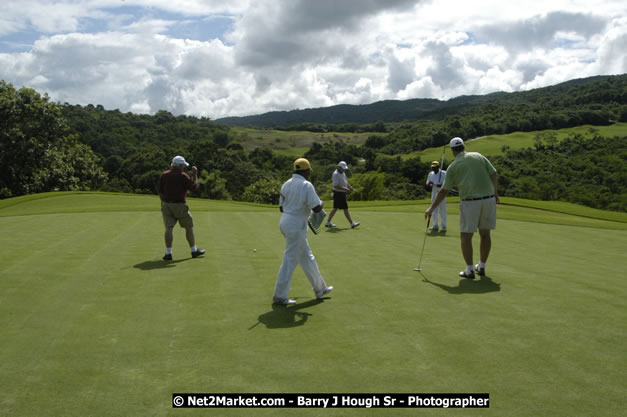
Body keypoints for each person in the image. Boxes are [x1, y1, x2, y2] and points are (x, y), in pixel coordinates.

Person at [425, 138, 499, 279]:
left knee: (466, 236)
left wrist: (431, 208)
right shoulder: (478, 156)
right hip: (489, 200)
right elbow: (494, 174)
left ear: (453, 150)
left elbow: (444, 191)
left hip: (470, 202)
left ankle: (469, 270)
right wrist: (495, 192)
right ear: (464, 147)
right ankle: (482, 266)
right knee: (485, 234)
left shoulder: (454, 166)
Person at [274, 158, 333, 305]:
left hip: (285, 221)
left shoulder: (286, 184)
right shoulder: (307, 185)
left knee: (307, 257)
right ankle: (280, 295)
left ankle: (320, 289)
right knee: (290, 260)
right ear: (306, 171)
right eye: (309, 171)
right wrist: (321, 203)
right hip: (296, 224)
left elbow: (281, 207)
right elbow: (317, 208)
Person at [159, 155, 205, 261]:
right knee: (188, 227)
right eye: (183, 166)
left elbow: (160, 191)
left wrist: (163, 203)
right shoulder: (183, 176)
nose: (184, 167)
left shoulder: (164, 175)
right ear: (179, 166)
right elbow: (194, 187)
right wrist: (195, 175)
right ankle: (194, 251)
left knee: (168, 228)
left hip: (166, 204)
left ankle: (168, 253)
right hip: (179, 205)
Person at [325, 161, 360, 228]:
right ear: (339, 167)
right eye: (342, 168)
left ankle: (328, 222)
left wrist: (350, 187)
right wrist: (345, 189)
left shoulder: (342, 172)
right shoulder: (335, 174)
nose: (343, 169)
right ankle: (352, 223)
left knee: (335, 208)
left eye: (344, 168)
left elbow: (345, 181)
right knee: (345, 208)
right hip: (338, 193)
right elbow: (335, 186)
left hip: (341, 193)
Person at [426, 160, 447, 232]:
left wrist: (441, 185)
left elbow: (447, 183)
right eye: (432, 167)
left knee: (442, 210)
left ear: (438, 167)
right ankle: (435, 225)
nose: (433, 169)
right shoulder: (430, 174)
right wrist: (430, 184)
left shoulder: (444, 173)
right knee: (434, 209)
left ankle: (444, 226)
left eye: (435, 167)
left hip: (442, 193)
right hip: (434, 192)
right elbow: (427, 183)